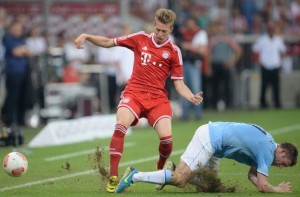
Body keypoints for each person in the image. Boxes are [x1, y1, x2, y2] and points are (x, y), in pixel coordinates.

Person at [74, 8, 203, 193]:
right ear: (154, 25)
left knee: (167, 140)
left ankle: (159, 170)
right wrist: (86, 36)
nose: (159, 34)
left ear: (171, 30)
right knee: (120, 125)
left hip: (157, 99)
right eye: (157, 29)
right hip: (134, 94)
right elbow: (109, 42)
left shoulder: (174, 52)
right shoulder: (140, 38)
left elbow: (179, 84)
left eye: (164, 31)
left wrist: (190, 95)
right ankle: (113, 176)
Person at [115, 121, 298, 193]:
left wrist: (262, 182)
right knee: (180, 180)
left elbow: (252, 176)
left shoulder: (267, 145)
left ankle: (172, 168)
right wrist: (278, 189)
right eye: (284, 163)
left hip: (215, 142)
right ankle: (134, 175)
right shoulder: (267, 151)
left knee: (209, 185)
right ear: (282, 151)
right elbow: (262, 186)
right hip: (210, 139)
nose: (280, 166)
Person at [1, 21, 32, 145]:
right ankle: (9, 120)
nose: (18, 31)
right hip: (12, 72)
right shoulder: (8, 39)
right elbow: (16, 52)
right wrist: (23, 51)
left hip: (23, 72)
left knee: (21, 97)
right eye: (16, 28)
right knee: (12, 97)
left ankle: (19, 120)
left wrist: (23, 51)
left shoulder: (22, 40)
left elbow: (29, 53)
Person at [252, 21, 286, 109]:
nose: (271, 31)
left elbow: (283, 51)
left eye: (272, 29)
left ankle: (277, 104)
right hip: (265, 65)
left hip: (275, 65)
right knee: (264, 86)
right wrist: (259, 62)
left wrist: (280, 61)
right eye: (270, 29)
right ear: (268, 30)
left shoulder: (278, 40)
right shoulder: (262, 39)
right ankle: (263, 104)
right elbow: (255, 51)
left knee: (276, 87)